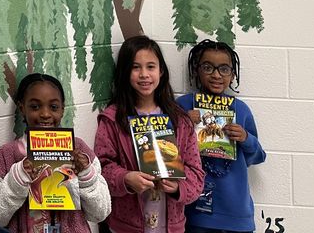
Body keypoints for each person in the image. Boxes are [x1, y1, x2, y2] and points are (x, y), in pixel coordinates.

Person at [0, 72, 111, 233]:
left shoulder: (79, 151)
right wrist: (17, 179)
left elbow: (100, 213)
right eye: (35, 106)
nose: (45, 114)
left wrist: (87, 176)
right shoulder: (7, 155)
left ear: (62, 109)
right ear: (21, 108)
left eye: (53, 107)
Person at [94, 36, 204, 233]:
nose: (144, 74)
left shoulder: (180, 121)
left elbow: (196, 173)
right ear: (125, 72)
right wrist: (126, 178)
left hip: (171, 226)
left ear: (161, 71)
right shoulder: (112, 119)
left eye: (151, 67)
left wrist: (179, 187)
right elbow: (102, 168)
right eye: (136, 67)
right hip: (126, 226)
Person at [175, 40, 266, 233]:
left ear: (233, 74)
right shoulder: (183, 106)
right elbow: (166, 153)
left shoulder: (240, 110)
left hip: (236, 213)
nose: (216, 75)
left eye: (224, 69)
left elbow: (257, 156)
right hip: (194, 211)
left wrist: (245, 138)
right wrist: (182, 125)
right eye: (208, 67)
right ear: (196, 70)